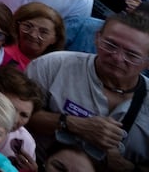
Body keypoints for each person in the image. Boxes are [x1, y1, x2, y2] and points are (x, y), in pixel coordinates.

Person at [26, 11, 149, 170]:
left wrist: (128, 167)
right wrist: (72, 124)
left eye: (131, 55)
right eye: (110, 45)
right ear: (97, 38)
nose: (117, 57)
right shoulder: (53, 66)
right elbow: (14, 113)